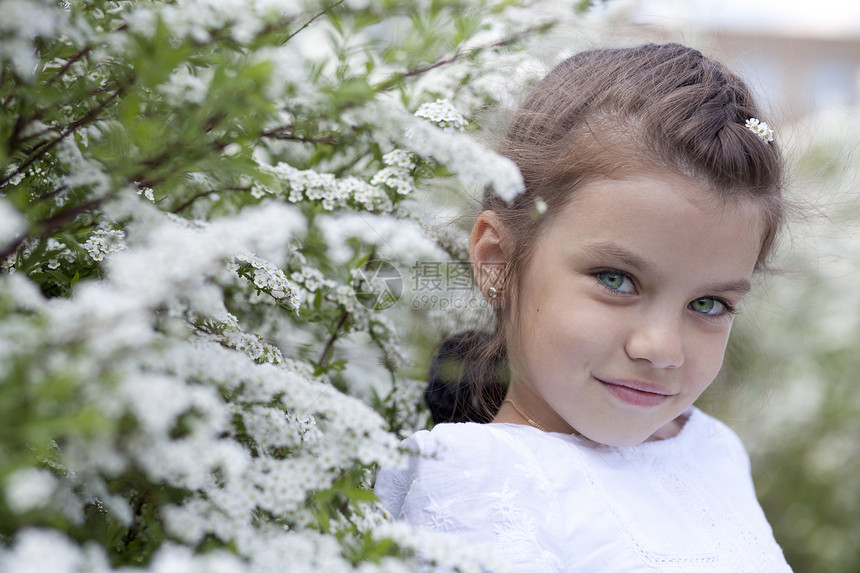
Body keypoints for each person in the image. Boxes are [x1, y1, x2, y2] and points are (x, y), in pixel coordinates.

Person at [375, 43, 792, 571]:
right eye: (617, 280)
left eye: (708, 303)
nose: (660, 349)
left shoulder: (711, 447)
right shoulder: (479, 478)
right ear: (498, 261)